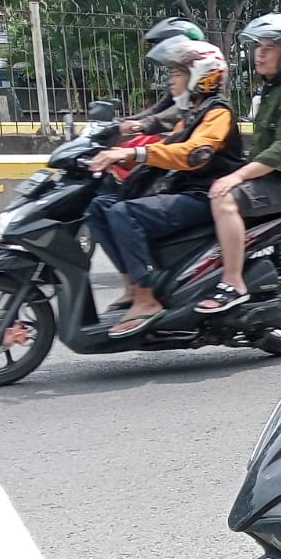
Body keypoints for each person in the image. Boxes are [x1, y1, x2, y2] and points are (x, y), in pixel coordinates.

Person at [87, 40, 243, 337]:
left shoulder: (217, 113)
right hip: (180, 190)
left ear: (201, 75)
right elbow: (165, 147)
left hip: (203, 196)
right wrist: (115, 155)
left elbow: (193, 153)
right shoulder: (191, 112)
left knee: (124, 213)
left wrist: (133, 154)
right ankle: (133, 287)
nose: (171, 80)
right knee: (100, 207)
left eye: (178, 73)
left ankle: (147, 300)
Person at [196, 13, 281, 313]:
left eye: (270, 47)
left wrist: (234, 178)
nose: (260, 53)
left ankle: (233, 281)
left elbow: (280, 153)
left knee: (225, 198)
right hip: (272, 176)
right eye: (259, 46)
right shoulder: (271, 92)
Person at [120, 17, 205, 137]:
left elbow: (182, 109)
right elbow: (161, 107)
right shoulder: (179, 76)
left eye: (171, 45)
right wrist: (126, 120)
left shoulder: (203, 81)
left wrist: (143, 124)